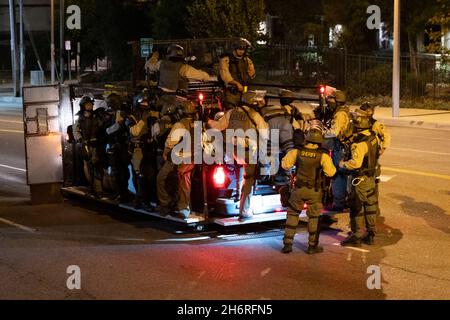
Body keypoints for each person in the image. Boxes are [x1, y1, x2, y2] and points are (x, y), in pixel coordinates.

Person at [208, 91, 269, 220]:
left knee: (240, 171)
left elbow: (219, 126)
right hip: (248, 151)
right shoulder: (254, 114)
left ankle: (237, 194)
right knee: (249, 179)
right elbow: (264, 132)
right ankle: (244, 211)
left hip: (234, 151)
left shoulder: (231, 112)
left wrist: (208, 121)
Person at [281, 128, 336, 254]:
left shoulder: (297, 151)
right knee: (314, 218)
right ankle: (312, 247)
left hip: (298, 190)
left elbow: (285, 165)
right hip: (314, 191)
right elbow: (331, 172)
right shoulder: (323, 155)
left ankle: (287, 245)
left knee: (292, 215)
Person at [339, 114, 380, 246]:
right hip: (372, 177)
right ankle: (371, 233)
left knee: (356, 206)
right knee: (370, 205)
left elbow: (356, 163)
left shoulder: (359, 143)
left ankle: (356, 235)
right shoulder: (374, 137)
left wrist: (343, 164)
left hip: (361, 179)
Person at [157, 100, 199, 219]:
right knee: (185, 184)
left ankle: (166, 204)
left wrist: (165, 153)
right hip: (192, 160)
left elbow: (170, 142)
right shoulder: (197, 125)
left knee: (161, 178)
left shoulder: (179, 124)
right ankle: (183, 208)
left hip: (178, 159)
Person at [127, 91, 159, 209]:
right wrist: (143, 120)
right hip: (137, 150)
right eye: (143, 102)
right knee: (140, 176)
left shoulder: (151, 115)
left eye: (147, 102)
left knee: (151, 175)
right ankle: (140, 199)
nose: (145, 105)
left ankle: (149, 199)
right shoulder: (131, 117)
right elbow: (134, 132)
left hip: (149, 149)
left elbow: (157, 131)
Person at [324, 90, 353, 212]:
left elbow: (334, 132)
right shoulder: (344, 111)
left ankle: (338, 204)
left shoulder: (340, 114)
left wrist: (320, 133)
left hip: (340, 148)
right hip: (344, 147)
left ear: (337, 102)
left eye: (331, 101)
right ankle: (345, 201)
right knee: (344, 175)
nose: (330, 103)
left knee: (338, 175)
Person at [257, 89, 295, 183]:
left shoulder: (260, 111)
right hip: (285, 126)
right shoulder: (291, 110)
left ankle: (265, 174)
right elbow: (295, 125)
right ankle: (287, 173)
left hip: (270, 126)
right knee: (289, 151)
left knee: (268, 151)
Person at [73, 95, 107, 198]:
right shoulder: (80, 118)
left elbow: (102, 127)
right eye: (88, 104)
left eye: (91, 104)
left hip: (96, 145)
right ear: (83, 106)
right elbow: (76, 130)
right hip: (86, 145)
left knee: (97, 166)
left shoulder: (96, 116)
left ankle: (98, 189)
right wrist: (80, 139)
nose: (90, 106)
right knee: (89, 167)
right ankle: (94, 189)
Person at [104, 93, 132, 203]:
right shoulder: (112, 115)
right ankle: (121, 192)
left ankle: (123, 193)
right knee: (119, 172)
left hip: (121, 147)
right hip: (117, 147)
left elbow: (117, 129)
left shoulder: (121, 114)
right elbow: (108, 130)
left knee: (122, 171)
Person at [219, 38, 256, 109]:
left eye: (243, 49)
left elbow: (252, 74)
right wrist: (237, 84)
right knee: (231, 113)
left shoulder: (247, 60)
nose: (241, 51)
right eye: (239, 49)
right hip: (231, 93)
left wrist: (247, 80)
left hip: (244, 91)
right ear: (235, 49)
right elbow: (225, 76)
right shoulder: (226, 59)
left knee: (245, 113)